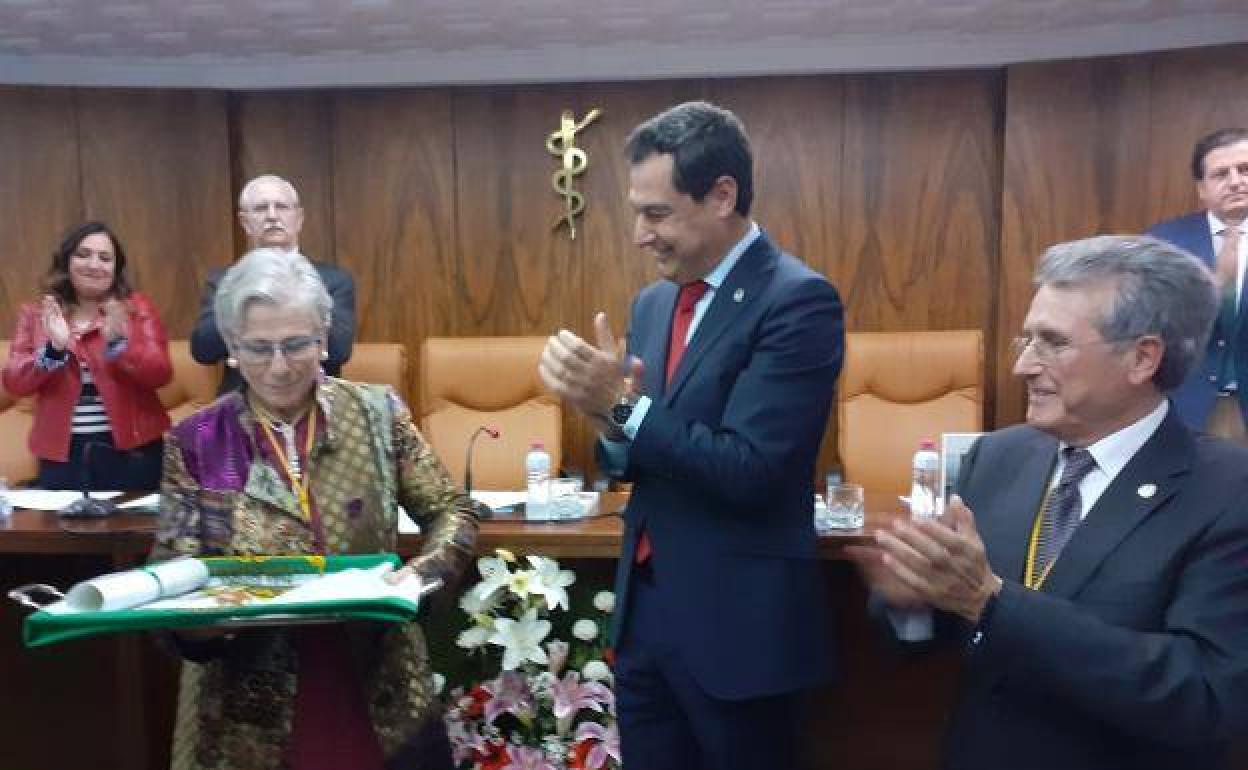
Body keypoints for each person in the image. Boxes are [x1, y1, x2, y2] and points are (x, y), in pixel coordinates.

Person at [848, 235, 1248, 769]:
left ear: (1142, 357)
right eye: (1027, 340)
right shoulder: (996, 458)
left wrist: (990, 601)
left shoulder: (1227, 490)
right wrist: (913, 602)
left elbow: (1203, 697)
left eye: (1054, 343)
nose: (1024, 367)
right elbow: (954, 631)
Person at [538, 101, 844, 770]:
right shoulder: (653, 302)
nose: (641, 235)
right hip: (647, 619)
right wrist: (604, 419)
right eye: (637, 213)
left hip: (739, 630)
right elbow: (637, 455)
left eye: (657, 214)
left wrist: (619, 407)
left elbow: (749, 469)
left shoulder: (797, 301)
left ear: (722, 195)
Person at [152, 248, 477, 770]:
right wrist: (201, 624)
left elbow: (451, 511)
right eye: (258, 348)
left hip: (374, 680)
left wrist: (423, 576)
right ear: (232, 347)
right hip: (242, 704)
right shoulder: (196, 442)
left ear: (324, 338)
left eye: (296, 344)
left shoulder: (375, 414)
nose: (278, 367)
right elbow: (172, 570)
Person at [2, 221, 171, 490]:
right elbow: (15, 382)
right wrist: (54, 350)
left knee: (133, 532)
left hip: (133, 453)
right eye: (83, 254)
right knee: (63, 532)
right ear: (67, 262)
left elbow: (160, 373)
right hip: (62, 456)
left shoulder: (135, 309)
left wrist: (119, 345)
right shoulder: (37, 315)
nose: (94, 265)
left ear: (116, 269)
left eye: (105, 258)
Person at [191, 174, 356, 393]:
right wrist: (245, 282)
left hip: (317, 405)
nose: (272, 216)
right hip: (241, 407)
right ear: (244, 222)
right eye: (260, 208)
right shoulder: (224, 281)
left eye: (281, 207)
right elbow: (203, 351)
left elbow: (338, 351)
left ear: (299, 218)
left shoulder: (333, 280)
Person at [1148, 128, 1248, 439]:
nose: (1235, 181)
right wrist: (1216, 284)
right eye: (1221, 174)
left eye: (1245, 170)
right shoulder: (1164, 242)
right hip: (1187, 406)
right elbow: (1149, 322)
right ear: (1201, 189)